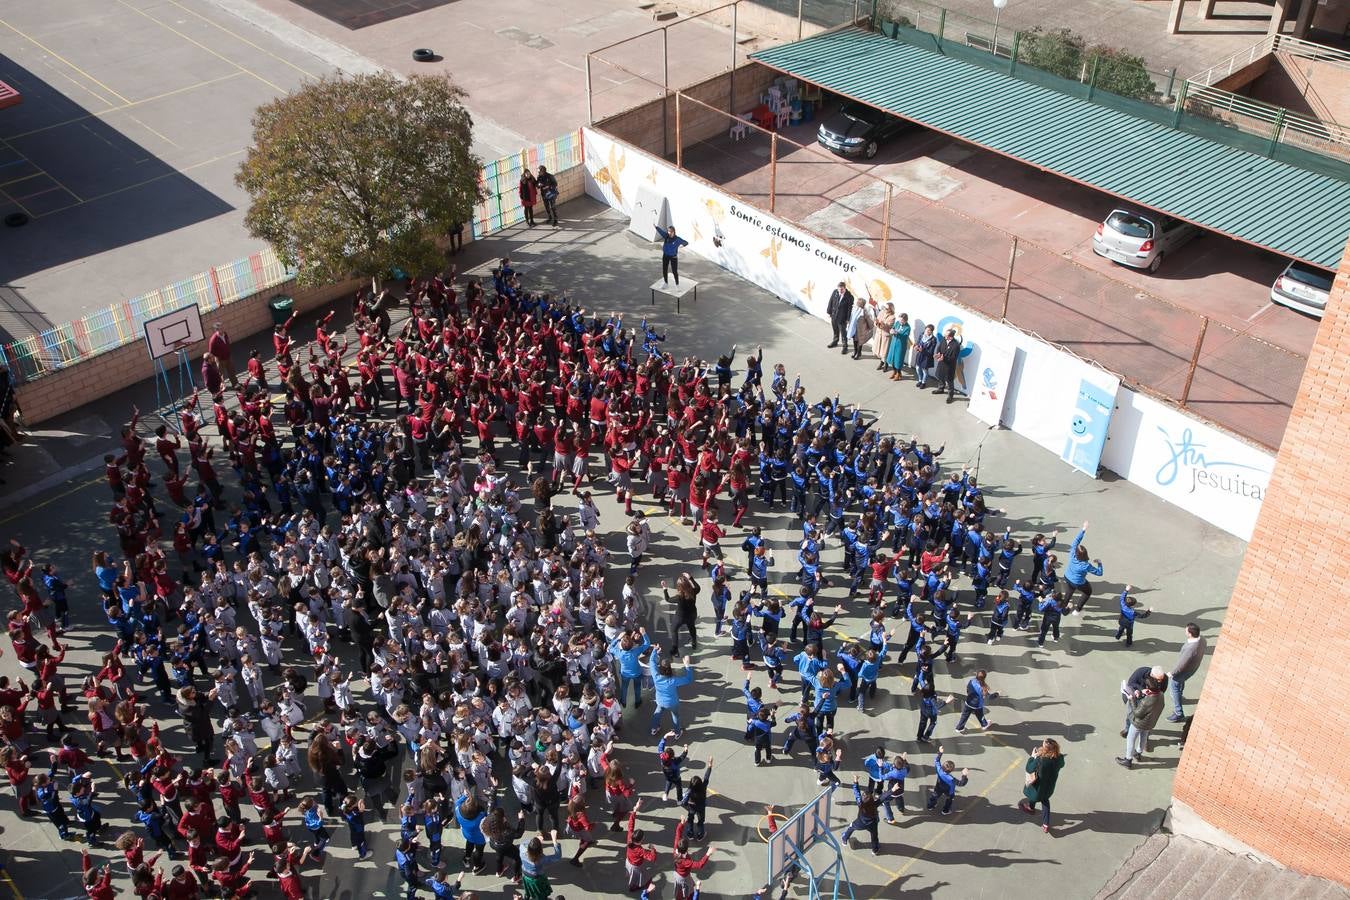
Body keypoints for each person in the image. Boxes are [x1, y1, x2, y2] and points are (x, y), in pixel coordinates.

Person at [1017, 738, 1065, 833]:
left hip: (1038, 784)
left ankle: (1031, 808)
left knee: (1033, 794)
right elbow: (1062, 764)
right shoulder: (1059, 757)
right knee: (1045, 800)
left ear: (1045, 748)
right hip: (1050, 784)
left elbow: (1029, 768)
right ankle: (1045, 824)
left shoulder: (1040, 759)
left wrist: (1032, 757)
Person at [1117, 675, 1165, 768]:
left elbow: (1137, 713)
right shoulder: (1161, 695)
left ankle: (1128, 760)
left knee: (1130, 739)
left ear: (1148, 688)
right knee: (1144, 737)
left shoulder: (1147, 701)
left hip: (1139, 723)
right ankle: (1138, 753)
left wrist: (1132, 700)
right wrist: (1145, 695)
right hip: (1150, 722)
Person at [648, 647, 694, 737]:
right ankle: (677, 732)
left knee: (657, 713)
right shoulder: (673, 680)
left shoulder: (656, 676)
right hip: (672, 702)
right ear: (670, 668)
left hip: (660, 700)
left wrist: (655, 650)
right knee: (675, 716)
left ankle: (654, 728)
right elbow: (689, 679)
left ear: (660, 668)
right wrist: (687, 665)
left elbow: (652, 661)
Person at [1168, 623, 1207, 723]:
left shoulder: (1190, 648)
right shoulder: (1202, 639)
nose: (1185, 631)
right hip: (1192, 668)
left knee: (1174, 685)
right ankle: (1180, 695)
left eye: (1186, 631)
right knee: (1180, 683)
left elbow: (1181, 664)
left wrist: (1171, 674)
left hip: (1184, 671)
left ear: (1190, 634)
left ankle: (1178, 713)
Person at [1063, 521, 1103, 613]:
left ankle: (1063, 606)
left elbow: (1076, 541)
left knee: (1069, 591)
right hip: (1078, 582)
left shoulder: (1072, 552)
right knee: (1087, 592)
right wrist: (1099, 563)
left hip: (1067, 576)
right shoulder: (1086, 565)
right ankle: (1077, 609)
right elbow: (1099, 573)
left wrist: (1083, 529)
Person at [841, 776, 881, 855]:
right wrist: (892, 790)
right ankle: (875, 849)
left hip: (860, 823)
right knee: (874, 836)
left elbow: (856, 793)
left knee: (851, 827)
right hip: (872, 823)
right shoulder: (874, 804)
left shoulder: (860, 803)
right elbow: (884, 797)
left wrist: (855, 781)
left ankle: (844, 839)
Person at [926, 747, 969, 814]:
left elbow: (937, 761)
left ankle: (930, 806)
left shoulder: (939, 770)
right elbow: (961, 783)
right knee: (949, 799)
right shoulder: (951, 779)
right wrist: (964, 775)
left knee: (934, 796)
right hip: (949, 791)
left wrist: (940, 752)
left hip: (939, 787)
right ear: (951, 770)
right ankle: (945, 810)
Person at [934, 327, 962, 402]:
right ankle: (941, 389)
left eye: (946, 335)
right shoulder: (943, 340)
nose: (944, 336)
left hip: (949, 366)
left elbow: (954, 358)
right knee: (940, 377)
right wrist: (938, 354)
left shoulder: (956, 345)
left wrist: (944, 358)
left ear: (951, 336)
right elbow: (939, 348)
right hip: (941, 364)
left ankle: (950, 395)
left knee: (949, 381)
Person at [207, 323, 238, 389]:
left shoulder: (225, 334)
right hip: (220, 359)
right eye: (221, 328)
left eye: (222, 327)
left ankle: (235, 384)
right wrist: (218, 356)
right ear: (216, 330)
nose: (223, 329)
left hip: (228, 357)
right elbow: (211, 352)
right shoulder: (213, 340)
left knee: (232, 371)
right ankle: (222, 386)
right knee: (221, 374)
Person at [825, 282, 853, 352]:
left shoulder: (849, 297)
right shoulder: (835, 292)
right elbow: (830, 301)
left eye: (842, 290)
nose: (840, 291)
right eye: (839, 289)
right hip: (834, 315)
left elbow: (850, 309)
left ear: (845, 288)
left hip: (842, 318)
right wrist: (829, 312)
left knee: (843, 332)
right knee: (835, 330)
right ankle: (835, 341)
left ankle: (845, 346)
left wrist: (848, 319)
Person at [886, 312, 910, 379]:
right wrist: (891, 330)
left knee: (898, 360)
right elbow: (892, 328)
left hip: (900, 346)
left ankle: (899, 373)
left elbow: (905, 337)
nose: (900, 322)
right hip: (893, 344)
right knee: (893, 358)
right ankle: (894, 371)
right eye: (900, 320)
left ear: (905, 320)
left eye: (902, 320)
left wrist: (897, 333)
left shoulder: (907, 327)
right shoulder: (897, 323)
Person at [872, 302, 895, 371]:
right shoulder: (881, 312)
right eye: (885, 307)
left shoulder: (892, 317)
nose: (885, 309)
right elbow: (876, 322)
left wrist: (882, 324)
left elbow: (889, 326)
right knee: (879, 351)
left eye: (887, 308)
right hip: (879, 334)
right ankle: (881, 362)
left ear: (890, 309)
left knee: (885, 352)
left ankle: (886, 364)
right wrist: (876, 322)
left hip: (885, 336)